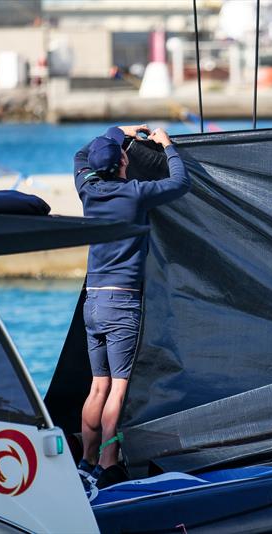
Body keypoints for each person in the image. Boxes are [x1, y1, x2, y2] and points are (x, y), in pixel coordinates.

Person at [73, 124, 191, 488]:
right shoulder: (135, 194)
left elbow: (81, 155)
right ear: (125, 160)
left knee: (97, 386)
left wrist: (115, 132)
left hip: (93, 300)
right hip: (122, 302)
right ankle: (110, 464)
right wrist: (166, 145)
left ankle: (85, 461)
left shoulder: (88, 190)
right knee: (118, 389)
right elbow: (180, 182)